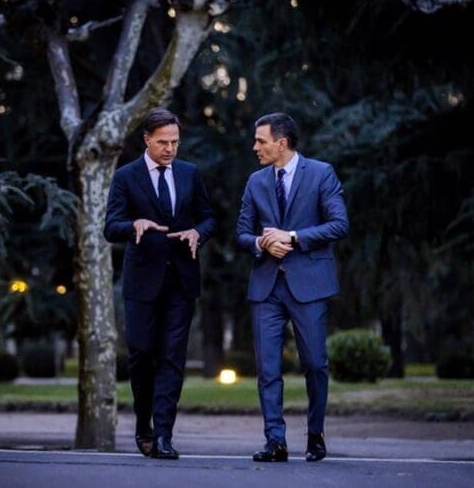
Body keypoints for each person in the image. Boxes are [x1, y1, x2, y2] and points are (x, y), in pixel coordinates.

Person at [236, 112, 349, 462]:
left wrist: (293, 237)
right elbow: (242, 233)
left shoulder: (321, 173)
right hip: (266, 287)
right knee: (268, 369)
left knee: (315, 364)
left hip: (308, 286)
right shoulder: (255, 181)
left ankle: (315, 434)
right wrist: (261, 243)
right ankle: (275, 441)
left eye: (261, 141)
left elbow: (339, 224)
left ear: (281, 143)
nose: (255, 147)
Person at [104, 108, 215, 460]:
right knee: (141, 354)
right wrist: (133, 224)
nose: (170, 149)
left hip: (181, 281)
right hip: (142, 282)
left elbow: (208, 218)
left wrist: (198, 233)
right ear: (147, 140)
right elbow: (111, 226)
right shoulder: (126, 176)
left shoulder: (189, 173)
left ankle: (164, 435)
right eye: (163, 142)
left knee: (172, 358)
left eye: (175, 142)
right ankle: (144, 426)